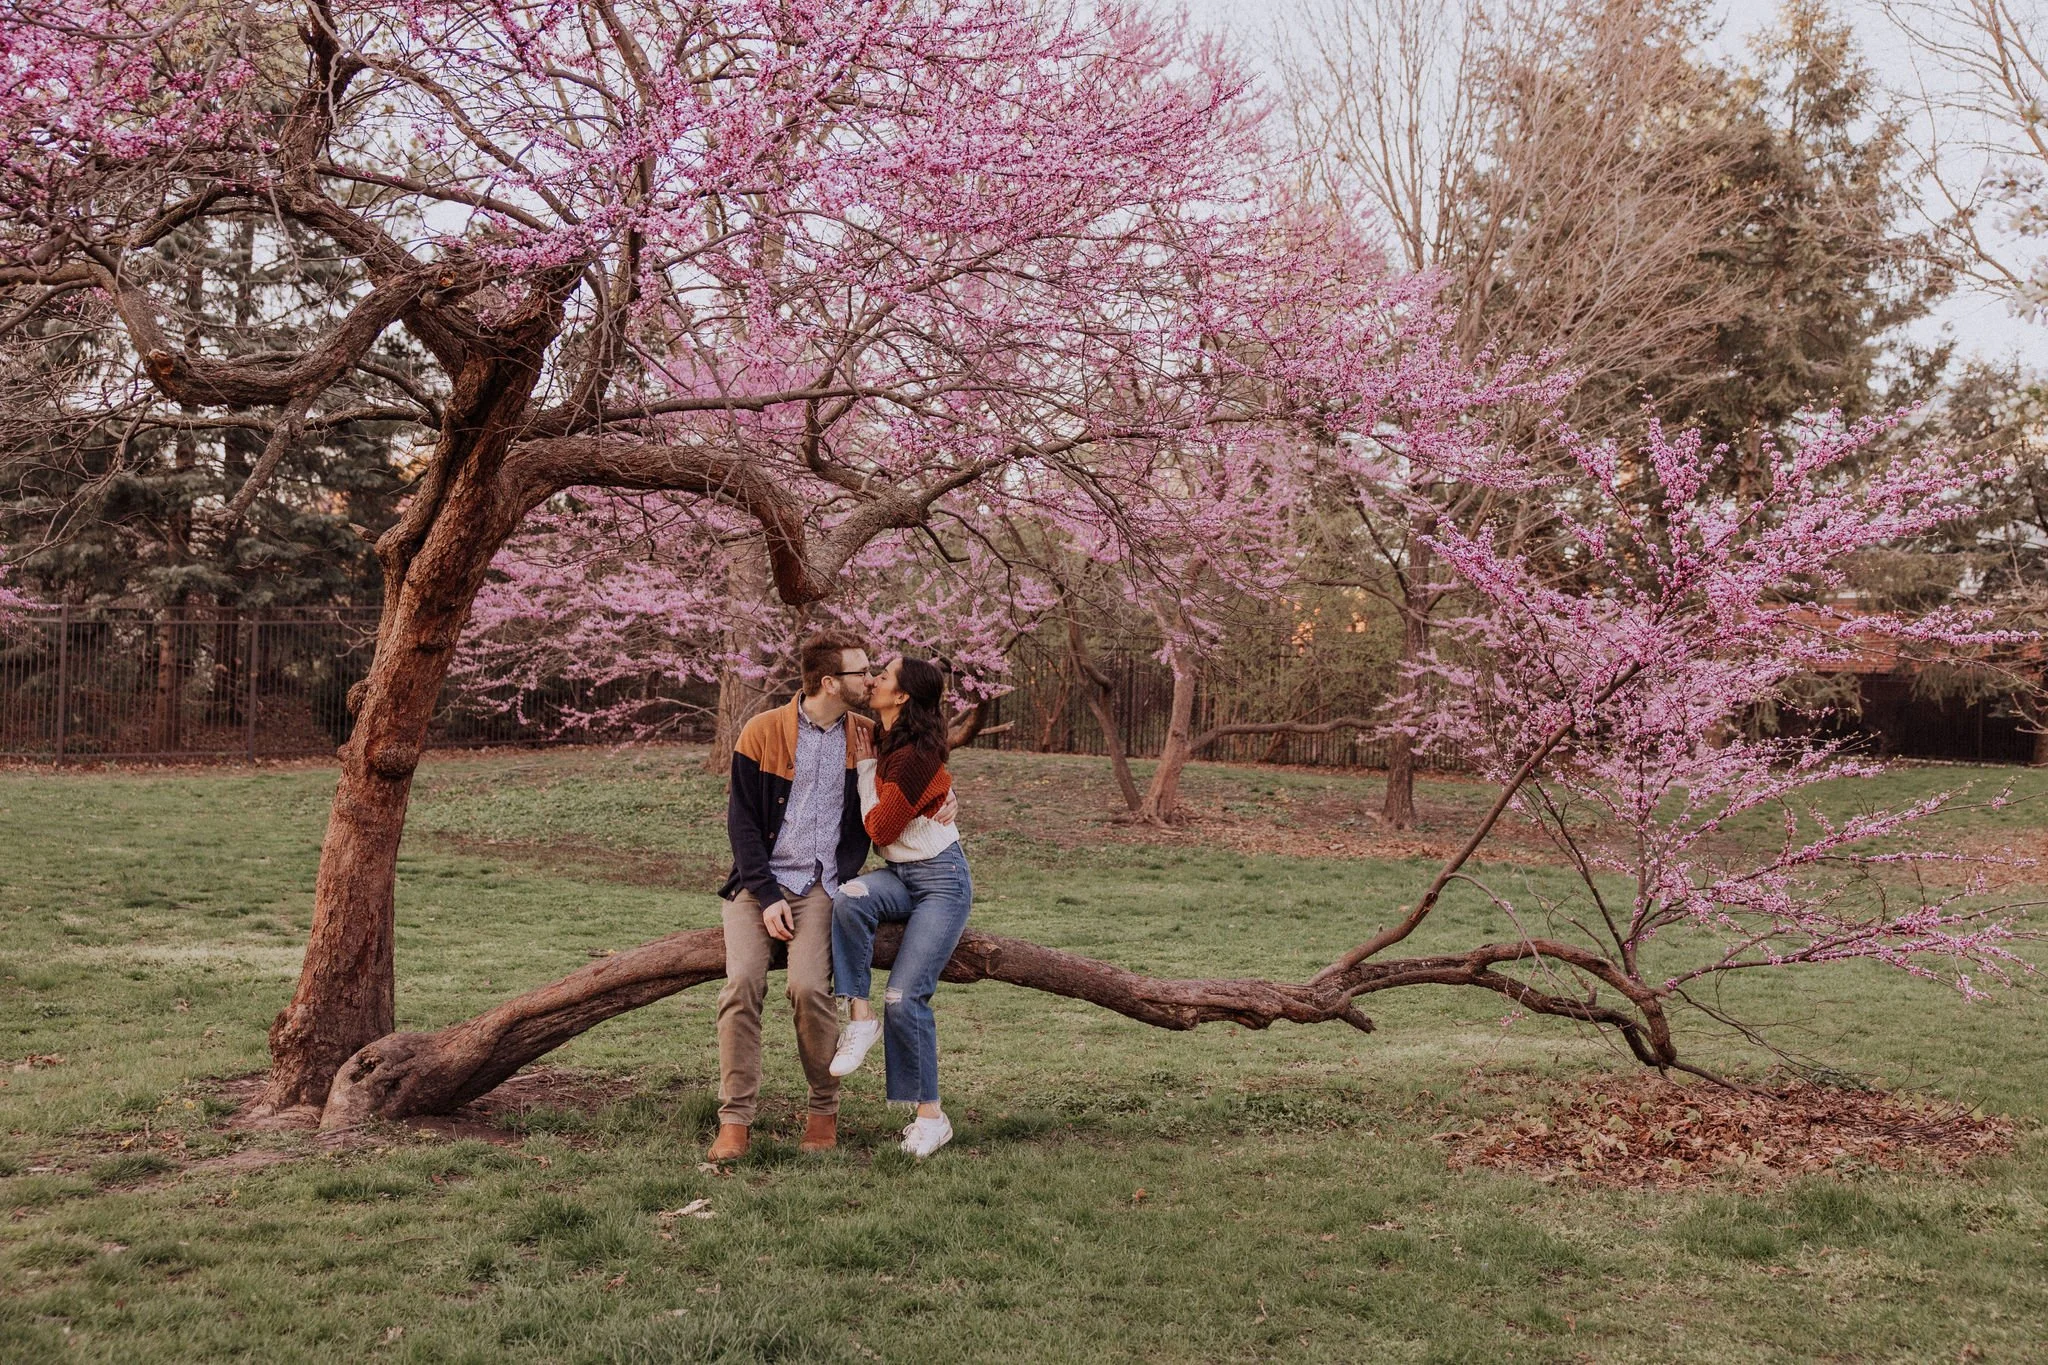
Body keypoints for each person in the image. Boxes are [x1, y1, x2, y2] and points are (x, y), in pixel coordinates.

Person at [707, 630, 877, 1163]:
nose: (871, 679)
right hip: (758, 885)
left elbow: (918, 770)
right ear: (830, 682)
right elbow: (742, 823)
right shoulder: (761, 731)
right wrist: (765, 893)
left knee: (807, 989)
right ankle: (735, 1120)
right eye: (861, 672)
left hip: (824, 886)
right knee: (741, 985)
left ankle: (823, 1109)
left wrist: (946, 800)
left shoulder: (869, 735)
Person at [828, 656, 974, 1159]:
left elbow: (881, 831)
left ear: (904, 696)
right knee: (848, 899)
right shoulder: (889, 735)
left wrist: (866, 768)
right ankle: (859, 1017)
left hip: (942, 883)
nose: (872, 681)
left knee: (906, 997)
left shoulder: (910, 755)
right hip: (900, 877)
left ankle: (932, 1118)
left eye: (883, 677)